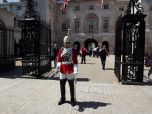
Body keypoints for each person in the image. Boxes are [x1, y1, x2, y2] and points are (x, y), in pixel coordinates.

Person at [56, 29, 78, 107]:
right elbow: (59, 60)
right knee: (62, 85)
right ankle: (63, 98)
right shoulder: (61, 50)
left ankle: (72, 99)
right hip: (62, 69)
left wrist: (75, 70)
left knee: (71, 85)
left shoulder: (72, 50)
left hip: (70, 69)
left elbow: (75, 62)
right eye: (66, 42)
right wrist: (58, 67)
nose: (67, 44)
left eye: (68, 42)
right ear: (64, 42)